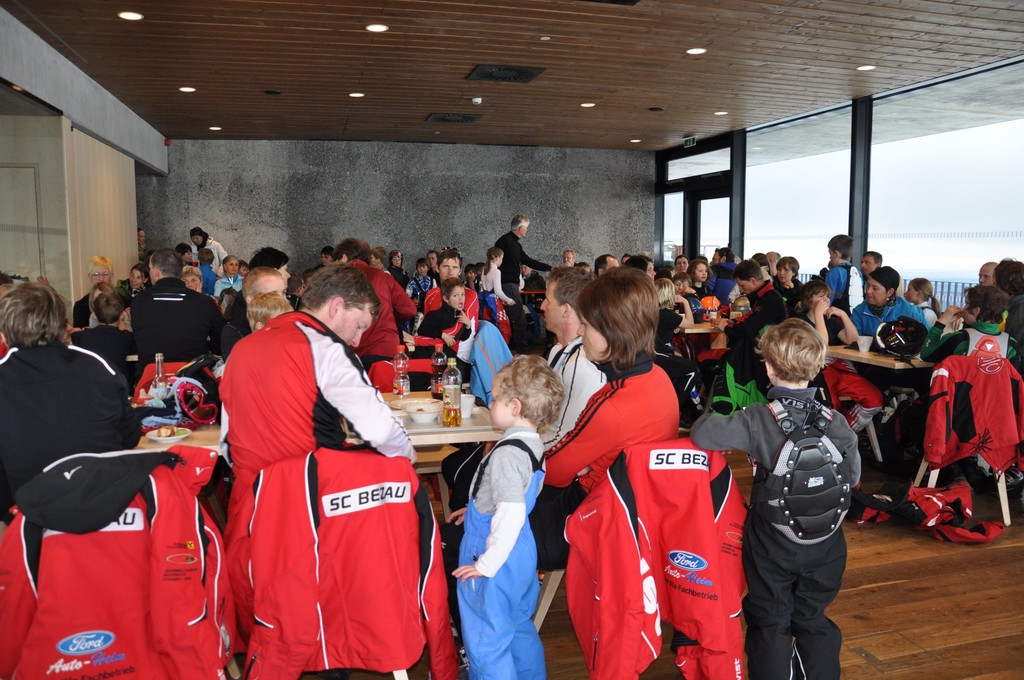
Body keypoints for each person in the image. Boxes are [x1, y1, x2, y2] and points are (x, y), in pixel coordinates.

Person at [220, 264, 415, 643]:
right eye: (358, 326)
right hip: (309, 511)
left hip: (251, 510)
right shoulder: (325, 348)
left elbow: (228, 444)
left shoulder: (241, 348)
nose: (357, 340)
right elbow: (381, 431)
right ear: (336, 306)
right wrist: (407, 463)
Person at [691, 319, 860, 680]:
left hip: (772, 540)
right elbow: (852, 478)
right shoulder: (836, 421)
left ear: (768, 367)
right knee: (812, 617)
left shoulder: (757, 419)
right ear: (816, 367)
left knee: (770, 618)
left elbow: (702, 433)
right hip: (827, 542)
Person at [532, 267, 679, 569]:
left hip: (592, 521)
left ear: (612, 331)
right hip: (635, 517)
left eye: (586, 325)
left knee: (468, 534)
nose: (580, 332)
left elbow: (553, 471)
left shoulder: (612, 401)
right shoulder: (659, 378)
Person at [451, 355, 563, 680]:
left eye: (495, 398)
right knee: (517, 627)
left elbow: (510, 510)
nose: (490, 403)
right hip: (521, 550)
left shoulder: (505, 454)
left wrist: (486, 564)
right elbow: (515, 498)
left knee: (487, 639)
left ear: (515, 407)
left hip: (493, 552)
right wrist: (478, 507)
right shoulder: (533, 444)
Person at [0, 282, 140, 525]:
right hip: (105, 509)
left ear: (3, 332)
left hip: (31, 516)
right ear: (63, 325)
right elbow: (129, 436)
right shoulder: (98, 366)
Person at [795, 280, 883, 432]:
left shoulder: (831, 321)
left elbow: (853, 340)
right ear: (808, 300)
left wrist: (843, 314)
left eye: (827, 296)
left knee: (874, 397)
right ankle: (830, 434)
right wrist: (818, 314)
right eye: (820, 296)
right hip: (815, 374)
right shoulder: (798, 323)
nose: (825, 300)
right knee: (829, 405)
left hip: (839, 370)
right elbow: (821, 345)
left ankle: (844, 431)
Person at [539, 266, 605, 449]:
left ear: (566, 310)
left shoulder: (582, 363)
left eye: (547, 300)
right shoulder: (558, 350)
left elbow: (567, 439)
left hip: (554, 456)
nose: (542, 306)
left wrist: (513, 449)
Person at [131, 248, 226, 368]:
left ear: (156, 272)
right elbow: (221, 340)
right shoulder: (205, 303)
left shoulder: (139, 302)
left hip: (151, 374)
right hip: (193, 374)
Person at [333, 238, 417, 369]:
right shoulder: (384, 277)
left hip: (353, 354)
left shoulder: (338, 280)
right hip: (387, 348)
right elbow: (409, 309)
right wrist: (390, 318)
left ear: (344, 258)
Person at [921, 285, 1021, 371]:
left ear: (977, 310)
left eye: (967, 304)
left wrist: (942, 321)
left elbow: (926, 354)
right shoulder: (1011, 344)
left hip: (961, 388)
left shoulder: (958, 338)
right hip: (997, 388)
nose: (964, 308)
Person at [495, 215, 551, 353]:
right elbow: (493, 262)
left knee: (518, 319)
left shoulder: (515, 245)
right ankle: (523, 353)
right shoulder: (504, 241)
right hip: (507, 285)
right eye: (527, 227)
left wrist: (549, 268)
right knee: (519, 319)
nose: (527, 230)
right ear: (521, 228)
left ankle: (521, 352)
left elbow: (528, 261)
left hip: (510, 285)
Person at [70, 282, 136, 382]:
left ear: (94, 315)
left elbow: (73, 336)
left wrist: (80, 329)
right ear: (121, 314)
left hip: (93, 387)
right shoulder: (126, 338)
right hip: (118, 387)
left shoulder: (83, 337)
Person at [220, 266, 288, 361]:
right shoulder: (234, 333)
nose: (282, 299)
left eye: (284, 292)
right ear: (251, 300)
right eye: (273, 295)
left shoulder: (290, 325)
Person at [850, 265, 926, 336]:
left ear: (890, 292)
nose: (868, 291)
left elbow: (928, 338)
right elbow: (854, 340)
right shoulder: (859, 311)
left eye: (875, 288)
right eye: (868, 285)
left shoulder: (910, 312)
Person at [414, 277, 472, 362]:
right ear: (446, 299)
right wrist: (443, 335)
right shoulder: (436, 314)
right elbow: (422, 329)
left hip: (445, 352)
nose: (461, 298)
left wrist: (468, 325)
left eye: (463, 295)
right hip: (427, 352)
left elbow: (463, 337)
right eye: (456, 295)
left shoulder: (461, 315)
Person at [73, 255, 117, 328]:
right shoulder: (80, 306)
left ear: (112, 275)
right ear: (89, 276)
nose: (101, 278)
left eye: (105, 274)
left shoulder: (124, 302)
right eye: (96, 274)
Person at [824, 234, 863, 315]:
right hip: (855, 317)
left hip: (837, 317)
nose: (830, 257)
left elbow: (827, 299)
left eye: (830, 254)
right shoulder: (858, 273)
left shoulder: (834, 273)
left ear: (837, 254)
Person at [654, 277, 694, 352]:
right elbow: (690, 324)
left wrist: (674, 326)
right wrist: (685, 302)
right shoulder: (666, 313)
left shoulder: (654, 310)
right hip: (661, 350)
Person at [995, 259, 1024, 345]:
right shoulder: (1016, 307)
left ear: (1005, 285)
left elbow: (1015, 349)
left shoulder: (1018, 315)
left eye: (995, 284)